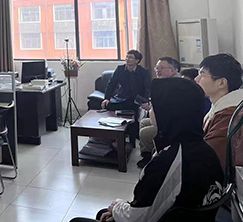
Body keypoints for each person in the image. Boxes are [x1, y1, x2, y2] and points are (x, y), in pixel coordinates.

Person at [70, 78, 224, 222]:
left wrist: (117, 206)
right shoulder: (204, 149)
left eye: (153, 106)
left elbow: (137, 217)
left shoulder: (168, 161)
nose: (150, 110)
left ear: (167, 113)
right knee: (104, 213)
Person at [195, 53, 243, 172]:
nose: (196, 79)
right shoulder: (221, 108)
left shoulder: (230, 115)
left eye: (202, 74)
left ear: (221, 83)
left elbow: (210, 156)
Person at [137, 57, 181, 168]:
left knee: (145, 132)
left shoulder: (174, 86)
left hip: (174, 126)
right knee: (143, 122)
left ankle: (150, 158)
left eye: (161, 68)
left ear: (173, 70)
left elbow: (156, 121)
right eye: (157, 68)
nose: (158, 70)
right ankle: (147, 153)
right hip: (167, 120)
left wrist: (151, 108)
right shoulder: (167, 82)